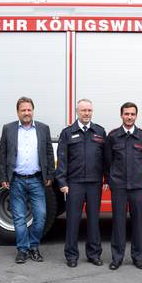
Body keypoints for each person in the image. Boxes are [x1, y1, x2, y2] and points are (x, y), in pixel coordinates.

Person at [0, 97, 54, 264]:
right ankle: (22, 249)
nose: (26, 113)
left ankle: (34, 246)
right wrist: (3, 177)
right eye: (23, 110)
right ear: (18, 112)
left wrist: (50, 175)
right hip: (17, 180)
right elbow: (2, 154)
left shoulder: (43, 128)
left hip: (37, 179)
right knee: (19, 217)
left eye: (29, 109)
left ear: (33, 110)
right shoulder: (8, 129)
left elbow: (49, 153)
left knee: (41, 215)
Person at [56, 99, 107, 268]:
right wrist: (62, 181)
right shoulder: (68, 132)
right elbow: (62, 158)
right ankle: (71, 255)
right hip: (74, 183)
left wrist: (106, 179)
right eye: (83, 110)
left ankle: (94, 254)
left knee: (93, 220)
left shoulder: (100, 131)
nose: (87, 113)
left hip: (94, 183)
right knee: (73, 220)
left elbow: (106, 159)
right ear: (77, 111)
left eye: (89, 110)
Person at [105, 102, 142, 270]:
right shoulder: (113, 136)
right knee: (118, 222)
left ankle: (138, 257)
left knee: (138, 223)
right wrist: (113, 180)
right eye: (126, 114)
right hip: (119, 186)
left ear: (136, 116)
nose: (129, 117)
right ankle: (117, 257)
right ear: (121, 115)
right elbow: (108, 161)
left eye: (132, 114)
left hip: (138, 186)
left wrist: (138, 176)